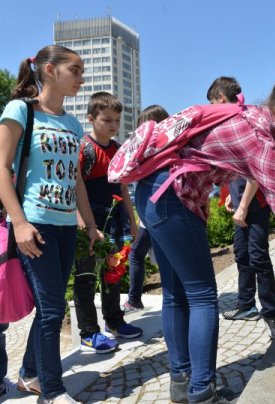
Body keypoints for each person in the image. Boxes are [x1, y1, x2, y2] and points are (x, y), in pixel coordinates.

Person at [134, 54, 275, 403]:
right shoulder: (261, 139)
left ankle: (181, 381)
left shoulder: (244, 113)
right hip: (172, 199)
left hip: (150, 192)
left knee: (175, 294)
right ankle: (202, 391)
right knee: (203, 296)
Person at [0, 45, 102, 404]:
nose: (81, 77)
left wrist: (89, 225)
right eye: (74, 70)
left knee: (51, 305)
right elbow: (2, 167)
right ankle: (53, 390)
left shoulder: (72, 124)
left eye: (81, 71)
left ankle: (29, 373)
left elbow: (76, 181)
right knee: (53, 310)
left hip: (65, 227)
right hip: (36, 223)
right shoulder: (20, 111)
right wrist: (20, 222)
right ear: (48, 70)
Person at [210, 77, 275, 340]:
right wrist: (231, 196)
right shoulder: (233, 120)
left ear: (220, 97)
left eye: (212, 102)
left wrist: (243, 207)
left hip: (256, 203)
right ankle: (246, 304)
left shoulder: (246, 119)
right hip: (241, 201)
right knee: (241, 254)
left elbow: (255, 172)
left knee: (258, 256)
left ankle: (271, 311)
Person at [73, 92, 142, 354]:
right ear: (91, 119)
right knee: (86, 278)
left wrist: (132, 221)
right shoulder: (84, 150)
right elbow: (74, 188)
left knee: (113, 274)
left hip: (114, 222)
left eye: (116, 120)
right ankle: (89, 332)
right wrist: (82, 224)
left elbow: (123, 188)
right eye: (106, 120)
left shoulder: (118, 149)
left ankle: (114, 321)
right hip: (89, 225)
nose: (113, 125)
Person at [123, 105, 169, 312]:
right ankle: (137, 299)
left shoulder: (150, 150)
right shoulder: (172, 145)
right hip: (160, 212)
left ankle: (134, 299)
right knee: (156, 255)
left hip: (153, 213)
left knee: (137, 254)